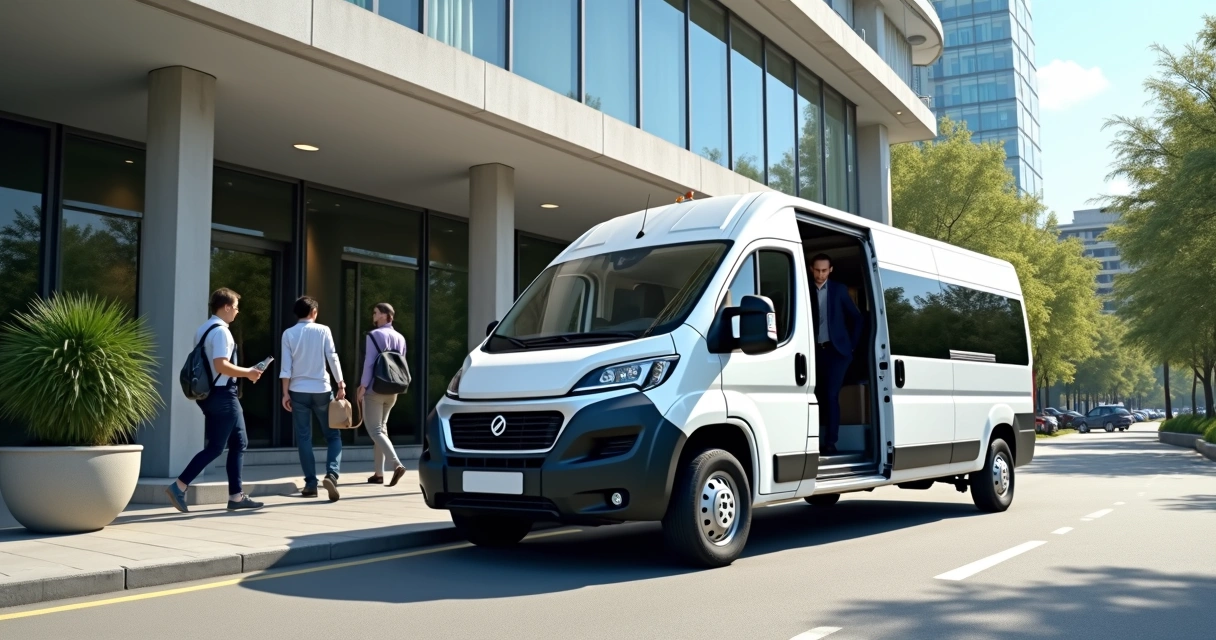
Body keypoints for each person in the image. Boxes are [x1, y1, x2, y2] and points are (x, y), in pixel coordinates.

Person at [165, 288, 265, 513]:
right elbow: (221, 365)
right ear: (227, 307)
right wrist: (248, 372)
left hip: (210, 395)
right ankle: (179, 486)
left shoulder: (203, 329)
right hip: (223, 396)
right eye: (236, 308)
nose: (237, 312)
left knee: (239, 442)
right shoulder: (221, 332)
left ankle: (236, 497)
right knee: (216, 447)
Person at [280, 296, 346, 502]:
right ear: (314, 313)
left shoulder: (288, 333)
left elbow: (285, 366)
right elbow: (332, 357)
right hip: (321, 389)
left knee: (304, 438)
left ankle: (310, 484)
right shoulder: (323, 330)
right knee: (333, 436)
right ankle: (332, 475)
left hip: (298, 390)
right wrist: (341, 384)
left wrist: (285, 393)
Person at [808, 253, 863, 456]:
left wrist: (851, 347)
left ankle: (830, 442)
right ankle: (811, 443)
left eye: (824, 270)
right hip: (812, 352)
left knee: (830, 396)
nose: (820, 274)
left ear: (830, 270)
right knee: (812, 396)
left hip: (837, 352)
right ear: (811, 269)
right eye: (817, 270)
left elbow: (856, 319)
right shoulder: (804, 289)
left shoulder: (838, 290)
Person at [357, 302, 408, 487]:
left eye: (376, 313)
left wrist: (363, 385)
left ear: (386, 315)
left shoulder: (374, 335)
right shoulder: (400, 338)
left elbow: (369, 363)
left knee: (375, 430)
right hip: (393, 389)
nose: (374, 316)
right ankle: (378, 474)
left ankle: (397, 464)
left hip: (375, 389)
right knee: (382, 429)